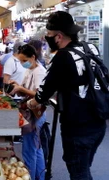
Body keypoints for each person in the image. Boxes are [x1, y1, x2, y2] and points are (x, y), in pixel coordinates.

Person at [27, 11, 106, 180]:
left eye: (49, 35)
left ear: (58, 36)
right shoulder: (90, 47)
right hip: (99, 122)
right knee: (84, 167)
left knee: (79, 172)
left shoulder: (63, 56)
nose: (47, 39)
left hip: (78, 128)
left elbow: (44, 90)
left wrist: (33, 102)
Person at [9, 44, 47, 180]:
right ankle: (38, 176)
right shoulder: (30, 70)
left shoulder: (39, 71)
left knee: (31, 150)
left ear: (33, 57)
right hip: (30, 112)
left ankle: (32, 176)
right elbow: (25, 88)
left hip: (36, 114)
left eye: (24, 60)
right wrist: (17, 86)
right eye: (20, 61)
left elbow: (38, 95)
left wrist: (22, 89)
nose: (22, 63)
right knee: (35, 148)